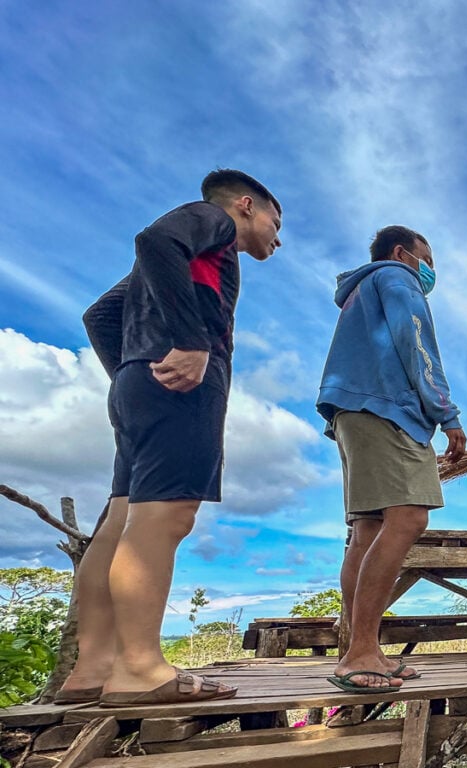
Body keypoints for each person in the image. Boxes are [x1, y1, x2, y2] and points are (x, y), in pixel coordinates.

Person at [55, 169, 282, 708]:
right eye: (277, 220)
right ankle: (140, 669)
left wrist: (133, 371)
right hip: (180, 389)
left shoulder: (182, 262)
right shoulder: (214, 222)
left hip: (142, 384)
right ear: (247, 205)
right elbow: (154, 239)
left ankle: (94, 668)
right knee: (167, 516)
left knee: (120, 518)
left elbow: (100, 314)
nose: (279, 236)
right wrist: (188, 344)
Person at [317, 225, 466, 692]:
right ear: (403, 253)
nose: (430, 272)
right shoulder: (396, 278)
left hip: (352, 410)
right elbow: (415, 340)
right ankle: (361, 652)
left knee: (368, 528)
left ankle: (362, 647)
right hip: (388, 408)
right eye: (428, 260)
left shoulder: (360, 290)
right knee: (408, 518)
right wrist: (447, 413)